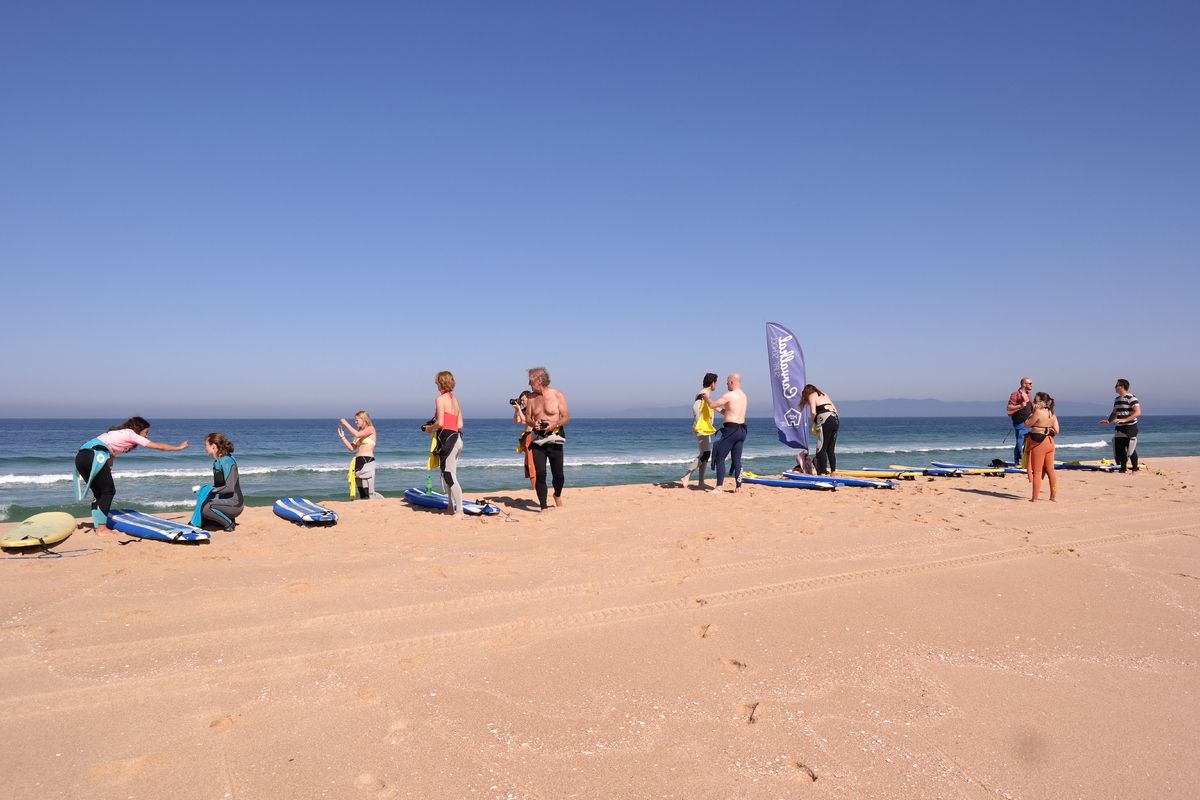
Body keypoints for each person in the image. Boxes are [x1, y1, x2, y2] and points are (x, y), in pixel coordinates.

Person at [75, 416, 189, 528]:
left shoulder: (118, 433)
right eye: (146, 432)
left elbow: (108, 450)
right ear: (138, 429)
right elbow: (158, 447)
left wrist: (109, 465)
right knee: (108, 491)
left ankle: (98, 526)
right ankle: (101, 529)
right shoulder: (131, 434)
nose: (147, 435)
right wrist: (178, 448)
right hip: (94, 456)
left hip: (82, 457)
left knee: (99, 493)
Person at [514, 366, 569, 510]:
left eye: (530, 381)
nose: (528, 384)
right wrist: (534, 424)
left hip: (555, 437)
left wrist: (554, 424)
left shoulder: (557, 395)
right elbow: (528, 419)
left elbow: (566, 417)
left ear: (540, 380)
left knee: (559, 475)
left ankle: (557, 494)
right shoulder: (531, 398)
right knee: (540, 474)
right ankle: (543, 507)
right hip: (538, 439)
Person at [421, 371, 465, 515]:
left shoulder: (440, 399)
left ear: (440, 382)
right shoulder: (455, 400)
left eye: (436, 381)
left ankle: (460, 511)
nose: (435, 383)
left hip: (447, 439)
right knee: (449, 475)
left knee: (449, 476)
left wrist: (429, 428)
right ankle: (450, 507)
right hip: (457, 439)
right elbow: (460, 425)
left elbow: (440, 423)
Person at [194, 433, 244, 530]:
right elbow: (219, 487)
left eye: (206, 445)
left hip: (235, 504)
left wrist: (210, 490)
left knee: (206, 508)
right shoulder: (217, 462)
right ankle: (226, 518)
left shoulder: (227, 460)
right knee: (203, 509)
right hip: (225, 503)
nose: (205, 448)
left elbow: (229, 488)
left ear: (213, 446)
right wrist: (203, 491)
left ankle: (229, 524)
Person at [708, 373, 748, 492]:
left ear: (731, 382)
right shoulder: (744, 396)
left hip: (731, 430)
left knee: (720, 457)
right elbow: (728, 413)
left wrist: (705, 397)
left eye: (727, 383)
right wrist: (715, 408)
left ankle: (719, 487)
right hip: (742, 431)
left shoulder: (729, 395)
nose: (726, 385)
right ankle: (738, 488)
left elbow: (712, 404)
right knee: (737, 460)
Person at [679, 373, 718, 488]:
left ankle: (701, 481)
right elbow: (696, 408)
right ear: (712, 383)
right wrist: (699, 425)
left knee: (704, 454)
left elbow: (711, 407)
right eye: (716, 383)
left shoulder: (704, 394)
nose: (716, 385)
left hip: (705, 428)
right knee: (705, 454)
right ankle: (686, 475)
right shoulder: (704, 394)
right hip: (702, 428)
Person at [1024, 392, 1059, 502]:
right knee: (1050, 470)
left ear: (1042, 403)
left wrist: (1032, 412)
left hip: (1039, 443)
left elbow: (1027, 424)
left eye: (1036, 400)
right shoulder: (1051, 413)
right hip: (1050, 442)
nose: (1034, 402)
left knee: (1037, 472)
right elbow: (1057, 430)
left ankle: (1034, 498)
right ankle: (1053, 496)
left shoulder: (1038, 412)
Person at [1100, 378, 1141, 472]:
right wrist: (1108, 421)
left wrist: (1124, 420)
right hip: (1120, 428)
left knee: (1131, 449)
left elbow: (1138, 412)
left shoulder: (1131, 398)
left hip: (1130, 427)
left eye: (1116, 385)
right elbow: (1114, 413)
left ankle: (1135, 469)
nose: (1115, 387)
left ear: (1122, 386)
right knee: (1119, 449)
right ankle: (1123, 469)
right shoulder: (1117, 399)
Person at [338, 411, 380, 499]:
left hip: (367, 461)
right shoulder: (358, 433)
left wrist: (346, 423)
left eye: (357, 420)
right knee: (361, 492)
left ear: (364, 419)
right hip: (357, 463)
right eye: (355, 420)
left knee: (368, 490)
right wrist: (342, 437)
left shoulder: (370, 429)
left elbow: (357, 434)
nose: (355, 422)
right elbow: (351, 448)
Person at [800, 384, 839, 475]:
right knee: (830, 449)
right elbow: (835, 409)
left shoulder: (811, 395)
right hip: (835, 419)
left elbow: (813, 412)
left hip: (825, 420)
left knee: (821, 448)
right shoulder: (824, 394)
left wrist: (814, 422)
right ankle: (833, 472)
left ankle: (822, 473)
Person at [1006, 376, 1034, 465]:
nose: (1031, 385)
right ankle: (1020, 460)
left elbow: (1031, 407)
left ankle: (1020, 461)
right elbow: (1009, 407)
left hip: (1029, 421)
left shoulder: (1029, 394)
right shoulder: (1015, 394)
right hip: (1019, 422)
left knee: (1027, 441)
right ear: (1024, 384)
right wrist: (1020, 405)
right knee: (1020, 441)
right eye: (1030, 383)